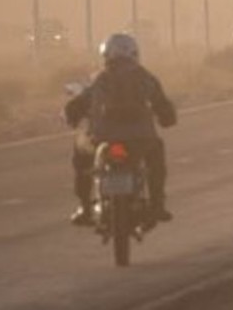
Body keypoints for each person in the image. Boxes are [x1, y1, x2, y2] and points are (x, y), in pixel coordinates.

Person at [64, 32, 177, 226]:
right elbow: (164, 107)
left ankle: (85, 206)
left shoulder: (98, 79)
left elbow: (77, 105)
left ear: (106, 55)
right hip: (141, 140)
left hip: (101, 139)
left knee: (81, 153)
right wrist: (167, 118)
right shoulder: (146, 78)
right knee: (156, 154)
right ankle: (157, 204)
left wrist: (72, 117)